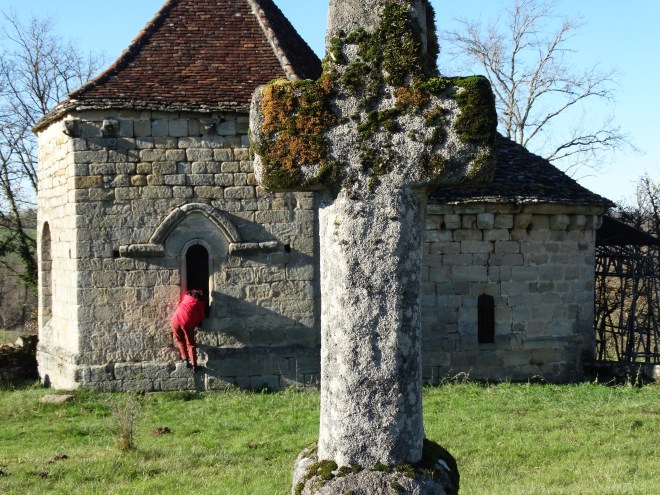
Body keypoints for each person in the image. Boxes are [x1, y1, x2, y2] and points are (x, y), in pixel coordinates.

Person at [170, 289, 206, 371]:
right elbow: (202, 315)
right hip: (187, 322)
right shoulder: (199, 302)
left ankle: (185, 360)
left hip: (175, 320)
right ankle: (194, 365)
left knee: (180, 340)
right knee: (190, 343)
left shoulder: (185, 298)